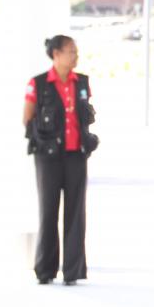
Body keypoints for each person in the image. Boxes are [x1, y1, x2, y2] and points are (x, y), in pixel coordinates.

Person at [24, 34, 98, 285]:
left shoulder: (82, 82)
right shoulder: (39, 83)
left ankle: (73, 271)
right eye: (71, 51)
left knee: (76, 212)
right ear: (56, 54)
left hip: (76, 154)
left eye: (76, 51)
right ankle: (45, 270)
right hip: (48, 157)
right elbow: (27, 117)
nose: (75, 56)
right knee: (48, 210)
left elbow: (85, 113)